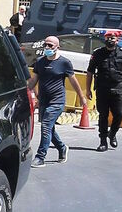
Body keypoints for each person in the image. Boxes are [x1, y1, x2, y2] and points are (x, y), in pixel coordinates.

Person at [25, 35, 87, 168]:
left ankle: (40, 157)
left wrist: (81, 97)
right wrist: (25, 92)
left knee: (46, 126)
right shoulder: (40, 62)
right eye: (45, 45)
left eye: (50, 45)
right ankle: (62, 147)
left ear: (57, 47)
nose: (47, 47)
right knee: (50, 129)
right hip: (43, 101)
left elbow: (73, 81)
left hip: (57, 101)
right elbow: (34, 80)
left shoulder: (64, 63)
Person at [87, 29, 122, 152]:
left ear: (117, 40)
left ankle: (112, 133)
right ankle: (103, 141)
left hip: (117, 89)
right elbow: (90, 71)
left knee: (119, 114)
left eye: (112, 38)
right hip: (102, 89)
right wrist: (88, 89)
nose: (110, 40)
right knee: (103, 115)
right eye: (108, 38)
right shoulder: (98, 54)